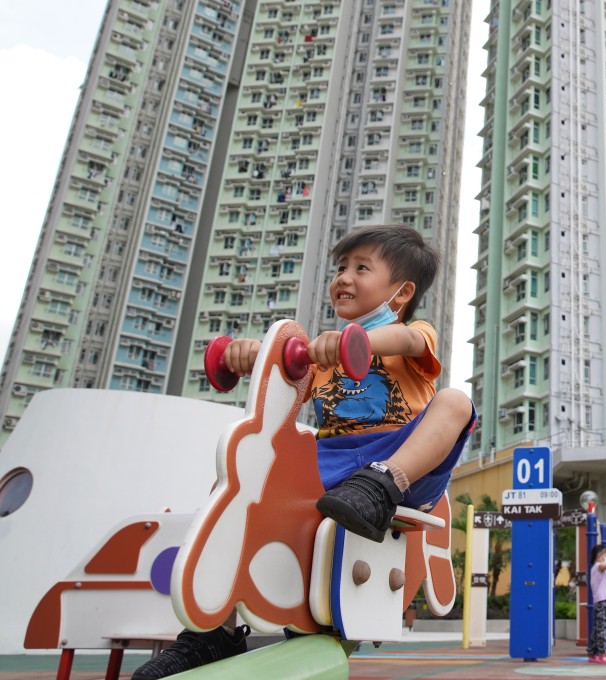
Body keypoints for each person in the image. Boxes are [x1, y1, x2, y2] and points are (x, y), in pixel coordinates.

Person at [133, 225, 477, 679]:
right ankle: (212, 632)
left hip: (400, 458)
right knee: (249, 473)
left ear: (401, 292)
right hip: (331, 462)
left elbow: (406, 342)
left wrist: (357, 342)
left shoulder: (412, 335)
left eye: (361, 268)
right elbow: (283, 369)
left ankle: (381, 484)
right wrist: (252, 353)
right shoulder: (320, 354)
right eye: (340, 268)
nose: (344, 278)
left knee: (456, 402)